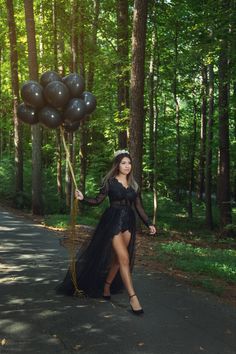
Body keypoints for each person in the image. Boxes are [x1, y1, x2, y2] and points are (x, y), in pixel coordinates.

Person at [56, 150, 156, 315]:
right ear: (117, 164)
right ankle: (133, 297)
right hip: (112, 221)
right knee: (124, 258)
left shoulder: (134, 185)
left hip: (129, 222)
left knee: (118, 260)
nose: (127, 166)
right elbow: (98, 200)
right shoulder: (110, 182)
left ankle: (106, 287)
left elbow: (138, 206)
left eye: (129, 163)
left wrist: (149, 223)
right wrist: (83, 198)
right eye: (123, 163)